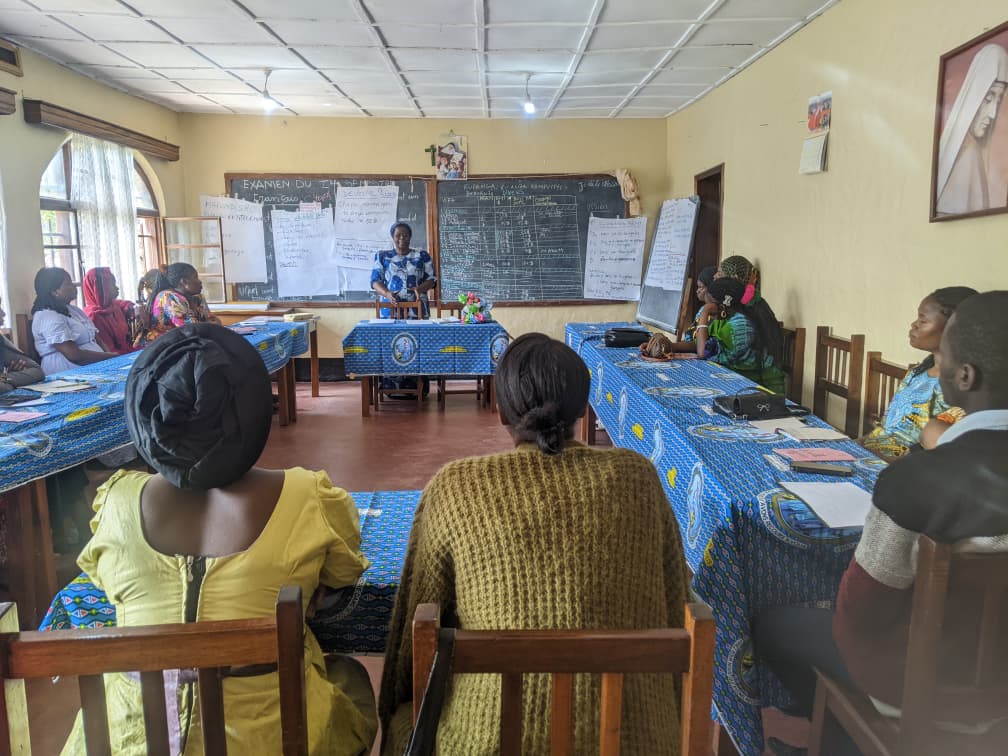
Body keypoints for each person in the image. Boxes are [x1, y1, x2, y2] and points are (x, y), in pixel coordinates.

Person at [60, 324, 377, 755]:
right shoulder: (307, 496)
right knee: (349, 679)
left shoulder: (115, 502)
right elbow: (344, 572)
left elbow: (105, 582)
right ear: (251, 413)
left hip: (127, 741)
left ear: (145, 416)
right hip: (274, 740)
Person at [378, 333, 691, 755]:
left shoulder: (455, 488)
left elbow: (414, 642)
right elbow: (675, 610)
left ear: (501, 411)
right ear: (584, 408)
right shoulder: (639, 479)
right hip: (635, 741)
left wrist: (393, 715)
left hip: (484, 742)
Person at [753, 291, 1008, 756]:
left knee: (772, 621)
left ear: (966, 377)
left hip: (923, 684)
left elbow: (861, 615)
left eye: (944, 358)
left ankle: (845, 740)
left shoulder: (916, 480)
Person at [862, 286, 977, 459]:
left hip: (902, 468)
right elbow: (884, 431)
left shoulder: (960, 387)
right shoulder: (918, 373)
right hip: (869, 454)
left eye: (923, 321)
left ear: (953, 328)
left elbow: (940, 454)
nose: (914, 324)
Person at [935, 43, 1008, 216]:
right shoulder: (968, 156)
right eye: (988, 98)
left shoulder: (974, 154)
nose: (992, 114)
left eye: (998, 101)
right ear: (975, 95)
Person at [694, 278, 786, 393]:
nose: (708, 310)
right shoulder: (729, 319)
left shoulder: (739, 325)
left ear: (721, 307)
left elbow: (702, 353)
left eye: (709, 305)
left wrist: (704, 313)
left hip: (763, 392)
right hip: (744, 384)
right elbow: (709, 346)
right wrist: (672, 346)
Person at [31, 267, 110, 374]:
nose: (74, 286)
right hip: (68, 373)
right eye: (68, 284)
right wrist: (109, 357)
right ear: (54, 291)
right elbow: (74, 355)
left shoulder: (74, 310)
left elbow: (97, 339)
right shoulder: (47, 316)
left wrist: (113, 359)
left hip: (96, 365)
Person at [370, 222, 436, 319]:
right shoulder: (383, 256)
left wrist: (419, 289)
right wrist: (387, 293)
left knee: (418, 334)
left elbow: (432, 280)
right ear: (393, 237)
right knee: (390, 334)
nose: (402, 238)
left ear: (410, 237)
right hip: (390, 310)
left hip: (417, 309)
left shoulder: (422, 255)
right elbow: (375, 281)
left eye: (405, 235)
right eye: (398, 235)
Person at [145, 262, 220, 342]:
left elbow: (212, 320)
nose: (200, 281)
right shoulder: (168, 297)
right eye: (195, 277)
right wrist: (211, 325)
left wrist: (212, 324)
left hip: (190, 341)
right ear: (184, 282)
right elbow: (189, 329)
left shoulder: (198, 297)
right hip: (165, 345)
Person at [82, 267, 146, 354]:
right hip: (118, 358)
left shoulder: (111, 306)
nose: (117, 288)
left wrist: (135, 308)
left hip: (128, 351)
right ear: (100, 289)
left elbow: (125, 304)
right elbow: (110, 352)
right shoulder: (94, 317)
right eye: (112, 285)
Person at [0, 295, 44, 392]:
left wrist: (6, 378)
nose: (3, 314)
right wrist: (11, 383)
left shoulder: (1, 341)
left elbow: (37, 371)